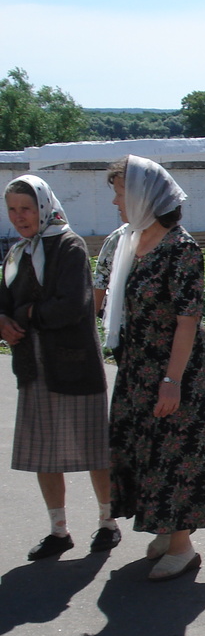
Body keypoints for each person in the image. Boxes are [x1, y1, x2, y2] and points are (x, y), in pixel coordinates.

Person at [101, 155, 205, 581]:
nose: (115, 202)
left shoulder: (181, 249)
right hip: (139, 366)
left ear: (144, 195)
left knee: (173, 453)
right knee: (145, 449)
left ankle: (182, 546)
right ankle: (165, 531)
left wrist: (170, 381)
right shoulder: (133, 242)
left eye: (121, 192)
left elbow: (187, 319)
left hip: (175, 369)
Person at [1, 175, 121, 560]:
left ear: (44, 206)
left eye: (27, 208)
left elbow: (72, 306)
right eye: (13, 209)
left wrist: (25, 313)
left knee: (92, 449)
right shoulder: (18, 252)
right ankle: (58, 530)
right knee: (42, 452)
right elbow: (4, 300)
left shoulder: (69, 246)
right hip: (34, 368)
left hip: (73, 366)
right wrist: (3, 321)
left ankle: (107, 523)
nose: (20, 217)